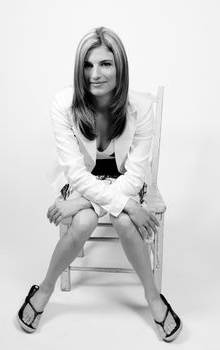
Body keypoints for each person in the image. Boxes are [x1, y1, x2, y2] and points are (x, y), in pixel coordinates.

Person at [17, 26, 182, 342]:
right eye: (88, 65)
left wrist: (100, 201)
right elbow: (77, 175)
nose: (95, 74)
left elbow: (134, 176)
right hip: (86, 179)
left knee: (121, 221)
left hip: (126, 180)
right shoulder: (63, 105)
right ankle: (46, 287)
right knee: (83, 223)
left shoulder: (141, 107)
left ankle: (152, 296)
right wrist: (127, 205)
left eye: (105, 64)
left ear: (120, 66)